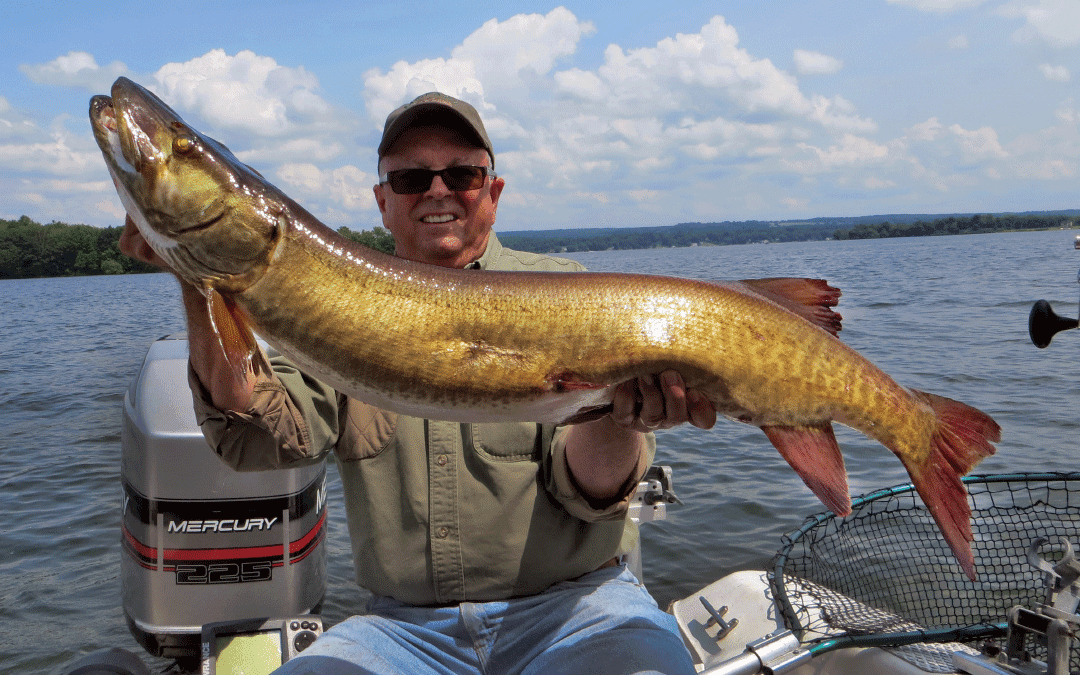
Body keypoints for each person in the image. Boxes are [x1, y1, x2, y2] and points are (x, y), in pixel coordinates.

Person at [120, 92, 717, 675]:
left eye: (462, 174)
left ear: (494, 192)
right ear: (383, 201)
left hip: (579, 610)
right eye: (410, 180)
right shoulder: (340, 309)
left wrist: (619, 415)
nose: (437, 191)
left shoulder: (573, 296)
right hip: (402, 633)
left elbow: (592, 488)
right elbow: (257, 438)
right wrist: (196, 280)